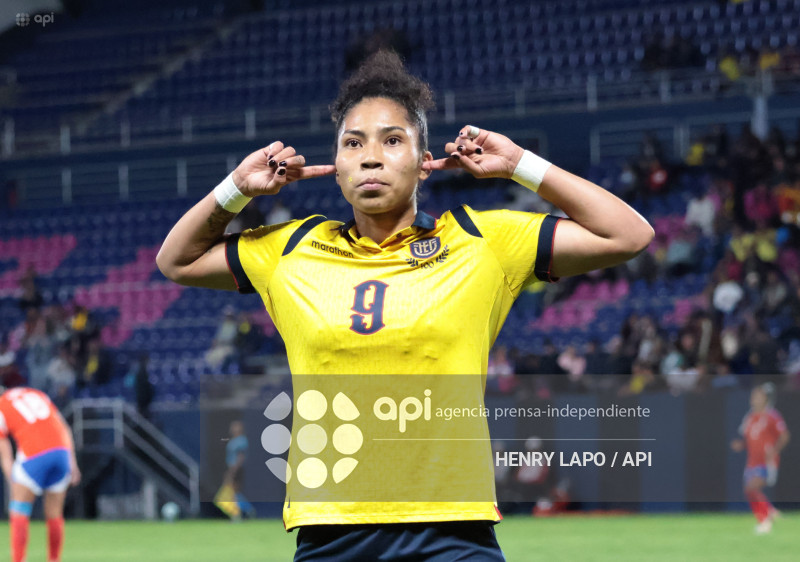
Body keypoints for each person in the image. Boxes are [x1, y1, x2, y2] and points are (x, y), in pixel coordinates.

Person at [156, 50, 653, 561]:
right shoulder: (291, 249)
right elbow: (175, 261)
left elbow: (629, 233)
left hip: (454, 532)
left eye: (393, 141)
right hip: (333, 532)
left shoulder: (482, 241)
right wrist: (235, 190)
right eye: (354, 143)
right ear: (336, 166)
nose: (371, 157)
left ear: (425, 164)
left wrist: (519, 166)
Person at [0, 385, 81, 562]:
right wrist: (73, 464)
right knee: (54, 513)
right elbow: (64, 428)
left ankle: (19, 560)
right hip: (61, 453)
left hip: (34, 454)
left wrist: (11, 481)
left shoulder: (1, 405)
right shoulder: (36, 393)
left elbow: (4, 453)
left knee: (19, 510)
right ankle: (54, 559)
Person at [730, 383, 791, 534]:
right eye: (753, 396)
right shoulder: (749, 417)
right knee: (749, 490)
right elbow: (748, 438)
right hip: (752, 461)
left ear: (765, 398)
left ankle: (765, 519)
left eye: (758, 396)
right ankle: (767, 511)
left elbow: (784, 435)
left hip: (767, 461)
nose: (754, 399)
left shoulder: (772, 415)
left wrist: (775, 450)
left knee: (752, 487)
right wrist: (741, 444)